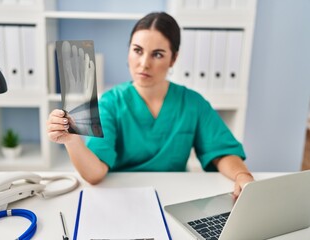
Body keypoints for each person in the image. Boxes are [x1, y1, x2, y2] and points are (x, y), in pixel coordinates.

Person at [47, 12, 254, 198]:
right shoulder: (110, 103)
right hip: (122, 196)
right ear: (128, 52)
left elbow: (221, 152)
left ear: (173, 59)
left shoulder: (192, 103)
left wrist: (242, 176)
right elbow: (94, 173)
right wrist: (72, 140)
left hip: (175, 196)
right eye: (137, 50)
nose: (144, 63)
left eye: (157, 54)